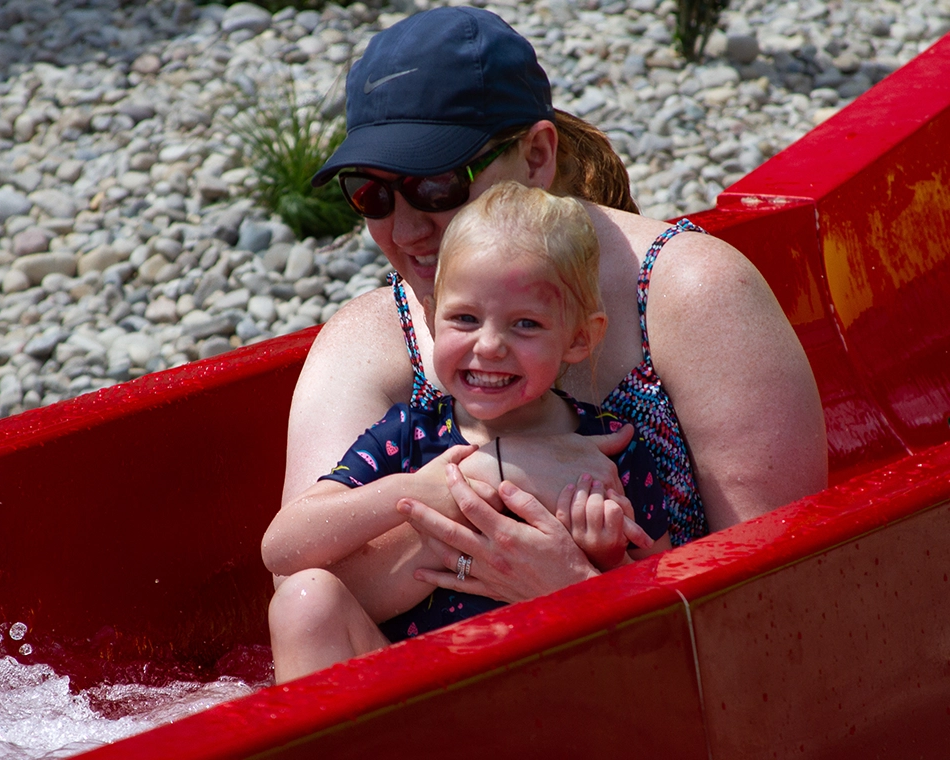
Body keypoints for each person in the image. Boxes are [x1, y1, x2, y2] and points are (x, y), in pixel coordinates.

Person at [278, 7, 826, 648]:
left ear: (537, 154)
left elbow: (785, 598)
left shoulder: (689, 294)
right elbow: (306, 591)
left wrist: (575, 586)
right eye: (369, 192)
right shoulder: (368, 341)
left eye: (435, 183)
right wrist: (487, 478)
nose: (402, 231)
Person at [265, 183, 673, 681]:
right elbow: (281, 549)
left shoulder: (604, 455)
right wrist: (417, 491)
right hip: (410, 715)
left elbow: (669, 625)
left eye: (525, 324)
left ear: (580, 338)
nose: (490, 345)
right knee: (306, 601)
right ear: (432, 318)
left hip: (553, 705)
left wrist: (607, 563)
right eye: (464, 318)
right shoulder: (408, 438)